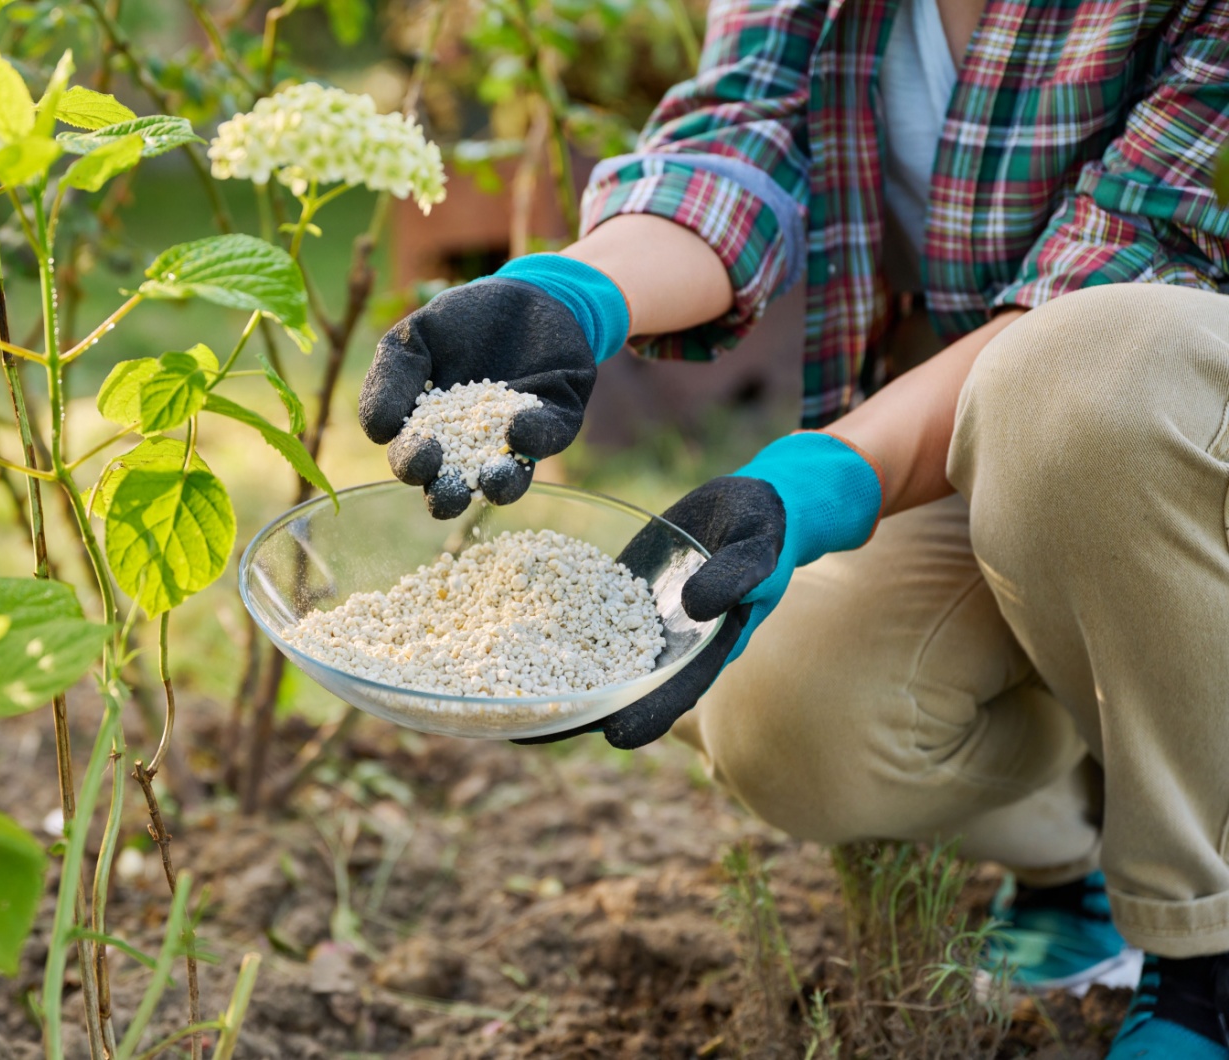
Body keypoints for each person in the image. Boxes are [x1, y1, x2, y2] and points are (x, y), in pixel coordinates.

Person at [358, 0, 1229, 1054]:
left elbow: (1119, 262)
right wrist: (568, 292)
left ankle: (1201, 963)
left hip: (1170, 427)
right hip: (989, 439)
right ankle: (1082, 846)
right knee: (786, 711)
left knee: (1089, 373)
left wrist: (817, 479)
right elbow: (736, 142)